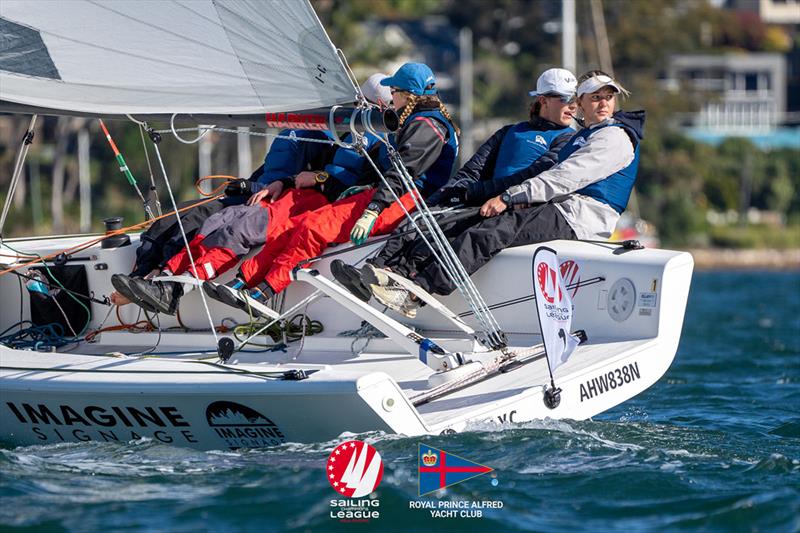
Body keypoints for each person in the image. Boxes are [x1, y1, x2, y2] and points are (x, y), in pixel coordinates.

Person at [126, 63, 460, 317]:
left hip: (402, 199)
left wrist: (369, 206)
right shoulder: (403, 123)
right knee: (265, 225)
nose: (393, 99)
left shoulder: (425, 125)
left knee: (310, 227)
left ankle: (264, 291)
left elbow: (403, 175)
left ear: (407, 95)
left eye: (396, 93)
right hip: (376, 195)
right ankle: (243, 285)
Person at [340, 70, 645, 318]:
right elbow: (477, 171)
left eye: (609, 97)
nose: (603, 103)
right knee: (436, 219)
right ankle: (389, 273)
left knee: (490, 229)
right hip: (557, 207)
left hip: (580, 217)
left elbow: (562, 178)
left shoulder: (613, 136)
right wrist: (450, 197)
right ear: (580, 101)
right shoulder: (581, 135)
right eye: (596, 97)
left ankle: (415, 291)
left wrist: (506, 198)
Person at [109, 126, 335, 309]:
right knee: (167, 219)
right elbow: (269, 172)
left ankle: (161, 281)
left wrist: (257, 186)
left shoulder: (317, 137)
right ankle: (138, 278)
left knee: (196, 222)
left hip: (271, 203)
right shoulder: (286, 134)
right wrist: (247, 183)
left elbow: (306, 180)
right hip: (253, 197)